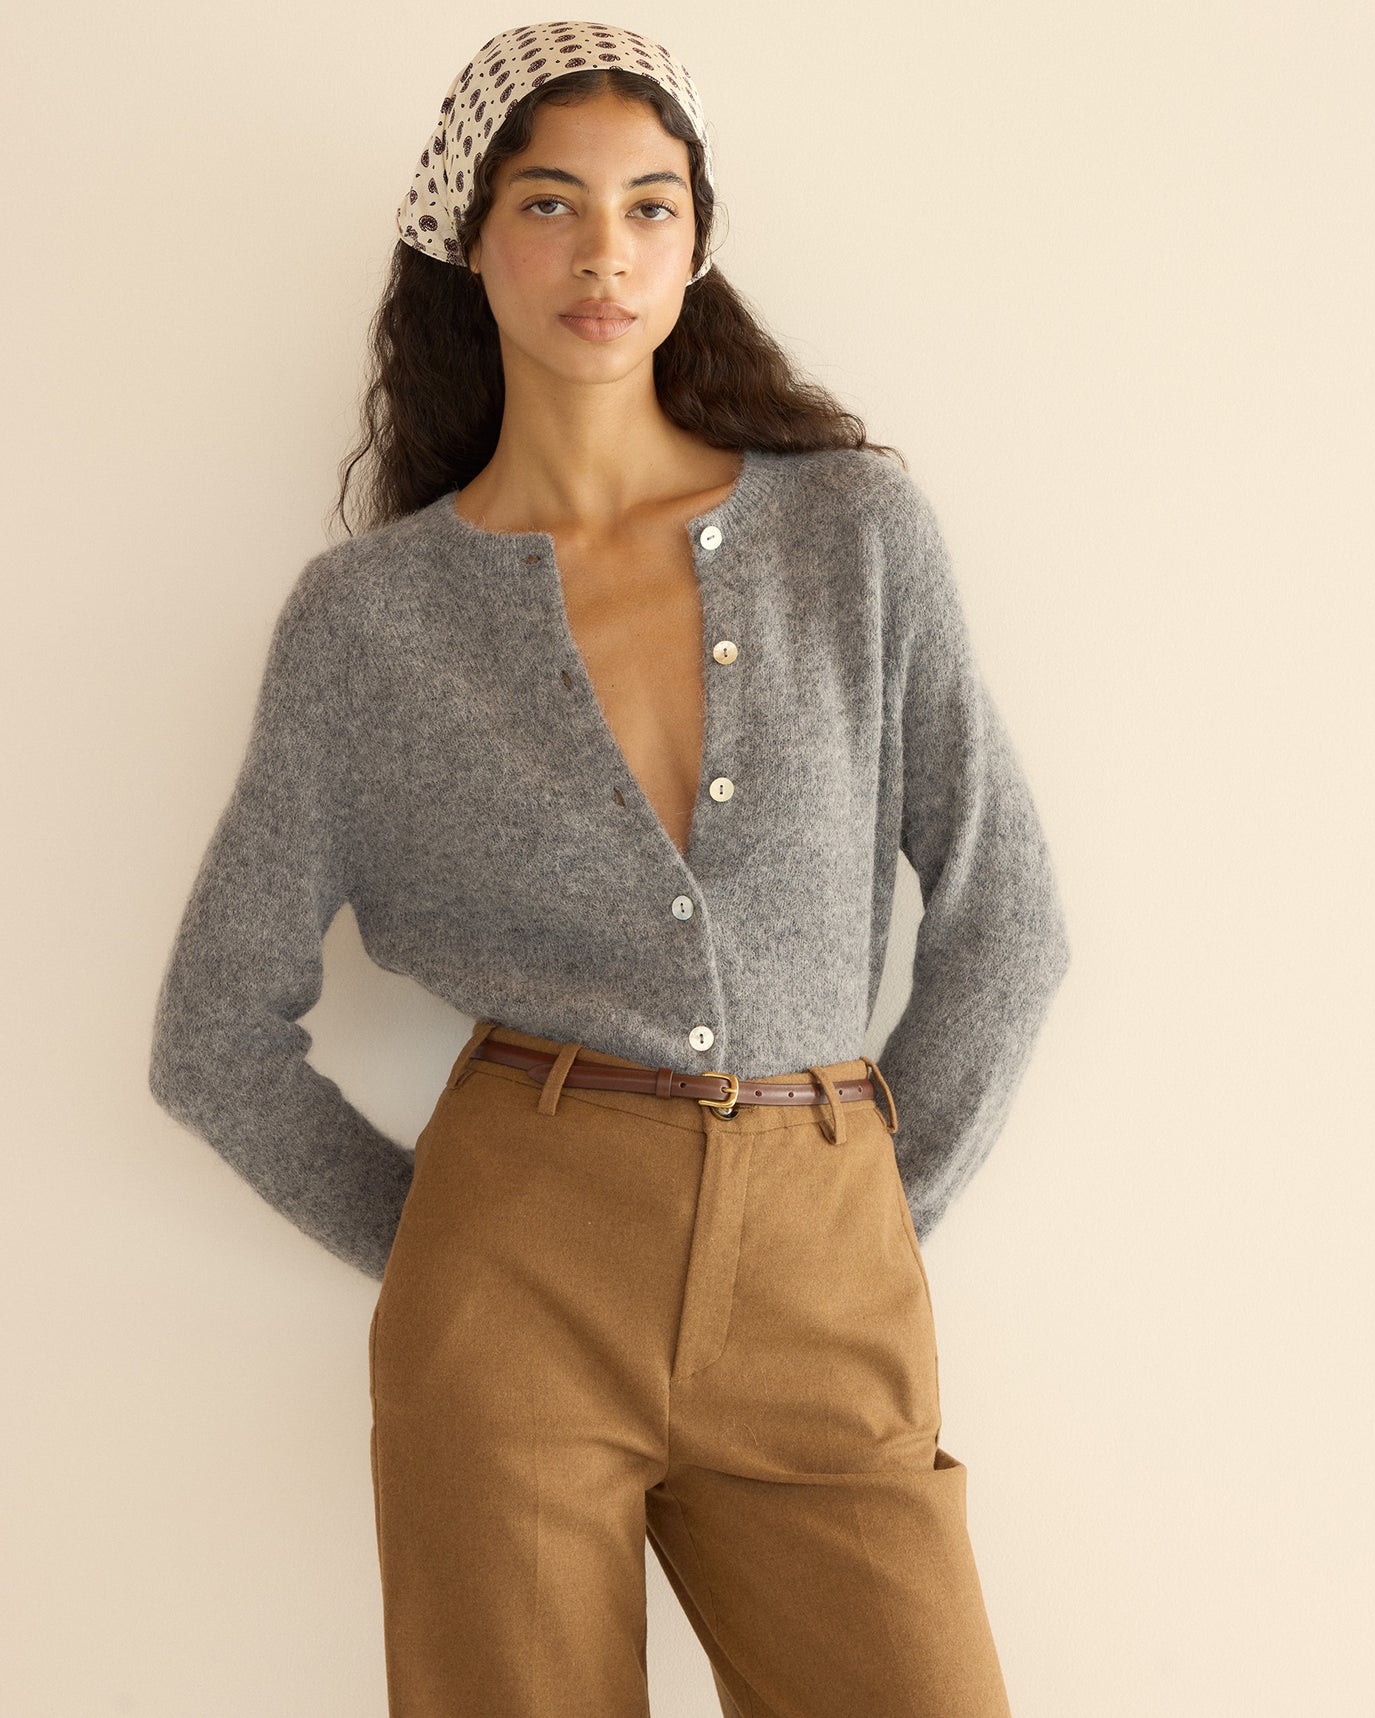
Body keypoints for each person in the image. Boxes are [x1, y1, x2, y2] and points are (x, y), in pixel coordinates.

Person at [147, 20, 1071, 1717]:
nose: (605, 254)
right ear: (471, 237)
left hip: (821, 1282)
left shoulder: (852, 535)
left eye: (651, 206)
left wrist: (860, 1209)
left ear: (698, 241)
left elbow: (1009, 921)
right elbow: (212, 1033)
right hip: (510, 1299)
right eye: (553, 203)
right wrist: (454, 1247)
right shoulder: (370, 626)